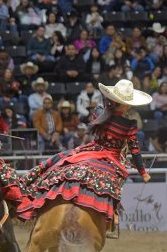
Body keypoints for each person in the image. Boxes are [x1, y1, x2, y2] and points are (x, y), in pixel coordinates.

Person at [19, 79, 152, 224]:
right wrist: (143, 173)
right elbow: (135, 151)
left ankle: (35, 189)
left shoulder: (100, 114)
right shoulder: (129, 124)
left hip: (90, 150)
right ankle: (112, 213)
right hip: (112, 158)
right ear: (127, 104)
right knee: (113, 181)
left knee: (63, 160)